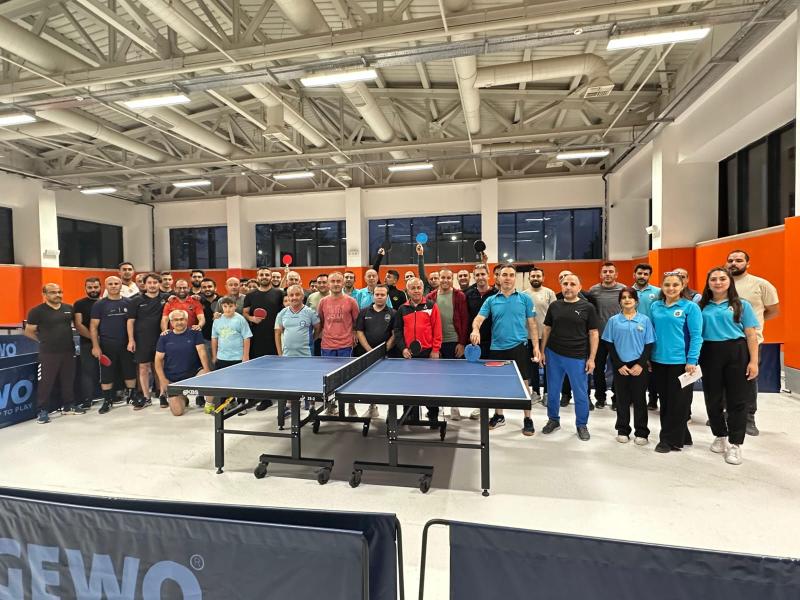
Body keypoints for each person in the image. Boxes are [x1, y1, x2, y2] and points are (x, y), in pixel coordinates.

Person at [698, 267, 760, 465]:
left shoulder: (742, 305)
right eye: (713, 279)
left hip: (736, 351)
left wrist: (753, 361)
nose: (718, 282)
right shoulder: (700, 306)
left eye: (722, 279)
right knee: (712, 397)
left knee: (737, 399)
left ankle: (735, 443)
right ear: (708, 283)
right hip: (709, 352)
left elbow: (751, 335)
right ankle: (720, 435)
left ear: (730, 282)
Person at [470, 265, 539, 436]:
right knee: (497, 384)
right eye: (504, 275)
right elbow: (478, 319)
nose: (507, 278)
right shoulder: (491, 300)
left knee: (524, 384)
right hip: (497, 348)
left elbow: (532, 324)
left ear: (515, 278)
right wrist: (475, 330)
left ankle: (527, 418)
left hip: (519, 346)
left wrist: (536, 347)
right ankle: (499, 416)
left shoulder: (525, 299)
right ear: (498, 278)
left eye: (511, 275)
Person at [726, 249, 780, 436]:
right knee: (725, 378)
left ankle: (749, 418)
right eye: (730, 260)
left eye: (739, 260)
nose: (734, 263)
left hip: (750, 340)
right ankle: (725, 413)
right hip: (724, 340)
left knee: (749, 379)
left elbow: (773, 311)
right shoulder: (721, 283)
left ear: (747, 264)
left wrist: (752, 323)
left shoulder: (761, 284)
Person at [540, 274, 600, 441]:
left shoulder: (588, 307)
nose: (568, 287)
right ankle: (553, 420)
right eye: (565, 283)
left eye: (572, 284)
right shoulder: (554, 306)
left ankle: (581, 425)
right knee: (553, 391)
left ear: (579, 287)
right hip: (554, 355)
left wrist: (592, 359)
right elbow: (546, 329)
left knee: (580, 394)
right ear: (561, 286)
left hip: (577, 357)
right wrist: (542, 351)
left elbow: (594, 333)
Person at [649, 271, 703, 454]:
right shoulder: (655, 306)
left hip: (681, 363)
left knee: (678, 403)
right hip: (658, 361)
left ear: (682, 286)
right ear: (661, 287)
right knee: (665, 401)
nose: (671, 288)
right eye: (667, 285)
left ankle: (668, 440)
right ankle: (683, 436)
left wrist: (692, 360)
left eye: (675, 285)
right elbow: (652, 333)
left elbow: (696, 336)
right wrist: (649, 357)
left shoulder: (690, 307)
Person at [602, 288, 655, 445]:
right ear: (620, 301)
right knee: (622, 399)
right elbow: (609, 343)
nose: (627, 300)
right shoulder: (613, 321)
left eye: (630, 297)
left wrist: (640, 364)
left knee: (639, 399)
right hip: (621, 366)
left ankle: (642, 432)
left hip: (639, 365)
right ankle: (622, 429)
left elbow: (649, 344)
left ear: (636, 301)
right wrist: (618, 364)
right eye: (623, 297)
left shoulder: (644, 320)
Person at [25, 284, 82, 423]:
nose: (58, 295)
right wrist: (44, 341)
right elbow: (29, 331)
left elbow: (76, 326)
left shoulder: (69, 308)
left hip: (68, 351)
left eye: (60, 292)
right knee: (46, 383)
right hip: (48, 353)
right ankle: (42, 410)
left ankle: (68, 406)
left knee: (68, 380)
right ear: (44, 294)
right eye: (53, 292)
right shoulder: (36, 311)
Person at [395, 277, 443, 424]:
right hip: (409, 353)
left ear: (422, 289)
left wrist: (435, 350)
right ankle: (409, 414)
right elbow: (398, 331)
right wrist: (403, 348)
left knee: (430, 386)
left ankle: (433, 414)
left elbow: (437, 329)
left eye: (418, 288)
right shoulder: (402, 309)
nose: (416, 290)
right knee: (408, 386)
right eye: (413, 288)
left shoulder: (431, 305)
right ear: (407, 290)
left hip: (428, 352)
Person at [90, 276, 137, 414]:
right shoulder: (99, 304)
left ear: (121, 285)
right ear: (106, 286)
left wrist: (131, 341)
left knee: (129, 371)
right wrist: (96, 346)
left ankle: (131, 396)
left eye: (116, 283)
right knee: (107, 374)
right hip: (107, 345)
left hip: (126, 344)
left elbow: (132, 323)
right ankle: (107, 400)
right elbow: (93, 327)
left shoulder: (129, 302)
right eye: (110, 284)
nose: (114, 286)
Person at [427, 269, 468, 420]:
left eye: (448, 278)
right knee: (435, 378)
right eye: (442, 277)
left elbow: (465, 320)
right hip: (436, 343)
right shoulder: (430, 297)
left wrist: (462, 343)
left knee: (454, 377)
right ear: (438, 278)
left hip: (453, 341)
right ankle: (434, 409)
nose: (445, 280)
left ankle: (454, 406)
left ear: (452, 279)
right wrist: (433, 346)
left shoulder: (459, 296)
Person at [317, 272, 360, 416]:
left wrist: (354, 334)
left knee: (348, 377)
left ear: (343, 283)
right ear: (328, 284)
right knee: (329, 380)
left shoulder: (351, 301)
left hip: (346, 345)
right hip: (327, 345)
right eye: (333, 281)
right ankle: (331, 405)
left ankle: (351, 406)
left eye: (338, 281)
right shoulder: (323, 302)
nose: (336, 284)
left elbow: (356, 322)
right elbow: (321, 321)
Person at [243, 267, 285, 411]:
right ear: (257, 276)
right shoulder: (250, 295)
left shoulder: (279, 293)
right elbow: (245, 312)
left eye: (267, 274)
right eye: (262, 274)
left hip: (274, 337)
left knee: (274, 368)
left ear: (271, 277)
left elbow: (284, 310)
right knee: (258, 369)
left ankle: (272, 396)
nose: (264, 276)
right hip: (257, 337)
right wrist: (251, 318)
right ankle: (261, 397)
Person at [154, 310, 210, 416]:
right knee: (177, 412)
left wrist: (207, 371)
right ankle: (183, 398)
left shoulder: (195, 332)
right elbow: (158, 360)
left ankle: (210, 404)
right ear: (171, 322)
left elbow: (202, 352)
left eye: (182, 319)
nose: (179, 322)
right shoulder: (164, 337)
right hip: (173, 378)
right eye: (176, 320)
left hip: (193, 373)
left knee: (209, 379)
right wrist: (163, 380)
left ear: (186, 320)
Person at [586, 262, 625, 410]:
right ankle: (600, 398)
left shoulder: (623, 290)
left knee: (618, 369)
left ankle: (616, 399)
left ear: (616, 274)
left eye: (610, 271)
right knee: (598, 369)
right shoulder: (593, 291)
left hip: (618, 338)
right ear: (601, 274)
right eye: (605, 271)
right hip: (599, 337)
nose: (608, 274)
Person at [126, 273, 168, 409]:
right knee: (143, 368)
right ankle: (146, 397)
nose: (152, 285)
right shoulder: (136, 300)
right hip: (142, 340)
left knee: (160, 367)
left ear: (159, 284)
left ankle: (163, 395)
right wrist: (131, 340)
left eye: (155, 282)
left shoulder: (166, 298)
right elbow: (130, 321)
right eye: (149, 283)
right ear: (145, 284)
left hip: (161, 339)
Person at [355, 284, 396, 418]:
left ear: (386, 296)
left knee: (389, 383)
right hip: (368, 353)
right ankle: (372, 407)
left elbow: (395, 334)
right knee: (370, 381)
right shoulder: (364, 312)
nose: (379, 297)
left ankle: (391, 410)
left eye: (382, 295)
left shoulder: (393, 313)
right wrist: (370, 350)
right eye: (377, 294)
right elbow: (359, 332)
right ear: (373, 296)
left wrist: (384, 349)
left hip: (387, 354)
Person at [464, 262, 497, 419]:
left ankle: (494, 409)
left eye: (483, 274)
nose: (480, 277)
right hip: (474, 341)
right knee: (476, 375)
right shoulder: (468, 294)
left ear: (488, 276)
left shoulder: (496, 293)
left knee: (491, 376)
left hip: (493, 341)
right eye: (477, 275)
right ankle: (480, 406)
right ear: (474, 277)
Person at [210, 296, 252, 413]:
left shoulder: (240, 319)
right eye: (225, 306)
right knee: (223, 382)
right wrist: (214, 355)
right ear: (222, 307)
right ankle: (227, 404)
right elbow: (214, 338)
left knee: (240, 382)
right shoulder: (217, 320)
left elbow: (246, 338)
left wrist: (245, 356)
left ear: (235, 306)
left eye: (230, 306)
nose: (228, 309)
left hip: (237, 357)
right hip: (222, 357)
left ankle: (241, 404)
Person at [524, 267, 556, 402]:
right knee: (532, 366)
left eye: (538, 276)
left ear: (543, 278)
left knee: (548, 366)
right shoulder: (523, 295)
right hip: (529, 337)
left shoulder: (550, 293)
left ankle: (547, 393)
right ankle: (535, 392)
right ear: (529, 278)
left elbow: (555, 315)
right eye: (533, 276)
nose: (535, 278)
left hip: (546, 337)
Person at [631, 263, 661, 409]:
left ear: (649, 276)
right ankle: (634, 398)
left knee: (652, 368)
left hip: (652, 335)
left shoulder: (658, 292)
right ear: (634, 275)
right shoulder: (628, 292)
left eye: (645, 274)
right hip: (633, 336)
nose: (642, 276)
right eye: (640, 273)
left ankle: (653, 399)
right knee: (634, 365)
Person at [73, 277, 102, 410]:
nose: (93, 290)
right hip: (87, 343)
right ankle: (87, 399)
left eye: (95, 287)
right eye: (90, 287)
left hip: (107, 342)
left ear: (100, 287)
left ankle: (111, 395)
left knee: (109, 370)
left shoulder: (106, 302)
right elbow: (78, 325)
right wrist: (95, 339)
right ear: (85, 288)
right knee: (88, 371)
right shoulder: (79, 304)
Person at [275, 285, 321, 358]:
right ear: (288, 297)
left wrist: (311, 340)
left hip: (306, 355)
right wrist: (280, 354)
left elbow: (318, 329)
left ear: (302, 296)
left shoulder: (310, 312)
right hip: (287, 355)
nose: (294, 297)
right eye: (291, 295)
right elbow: (281, 331)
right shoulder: (282, 313)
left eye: (297, 294)